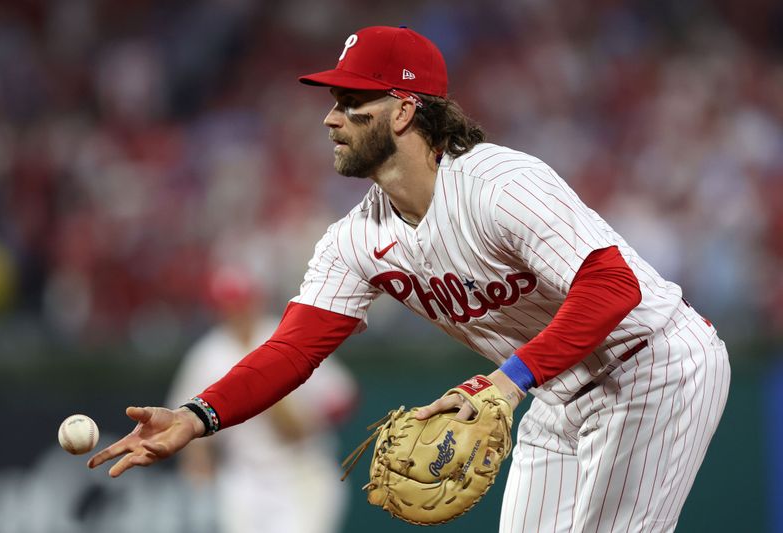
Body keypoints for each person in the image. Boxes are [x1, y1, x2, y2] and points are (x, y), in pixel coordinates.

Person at [89, 26, 731, 532]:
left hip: (653, 365)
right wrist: (198, 416)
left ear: (402, 110)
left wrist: (506, 384)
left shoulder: (498, 184)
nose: (329, 118)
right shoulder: (355, 239)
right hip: (554, 389)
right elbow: (291, 349)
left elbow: (613, 288)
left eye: (349, 102)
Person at [166, 266, 356, 533]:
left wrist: (303, 418)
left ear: (256, 301)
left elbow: (342, 397)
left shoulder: (289, 336)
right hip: (244, 477)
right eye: (229, 304)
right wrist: (198, 463)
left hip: (299, 471)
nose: (237, 310)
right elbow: (183, 421)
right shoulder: (209, 354)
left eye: (242, 302)